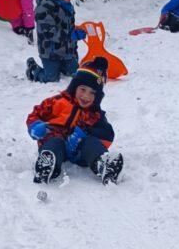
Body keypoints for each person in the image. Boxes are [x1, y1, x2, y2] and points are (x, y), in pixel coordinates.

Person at [26, 55, 123, 185]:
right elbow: (36, 113)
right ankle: (47, 166)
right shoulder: (58, 101)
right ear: (74, 87)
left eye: (92, 93)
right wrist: (35, 126)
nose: (86, 96)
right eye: (83, 89)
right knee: (54, 142)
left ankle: (103, 165)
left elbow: (107, 135)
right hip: (55, 143)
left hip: (79, 152)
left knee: (91, 143)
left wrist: (87, 132)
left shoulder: (94, 114)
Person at [27, 0, 86, 83]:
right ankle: (33, 69)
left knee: (74, 72)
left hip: (67, 52)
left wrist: (77, 33)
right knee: (51, 78)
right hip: (50, 52)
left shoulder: (68, 6)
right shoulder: (45, 7)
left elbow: (69, 27)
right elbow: (49, 32)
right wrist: (71, 35)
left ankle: (64, 66)